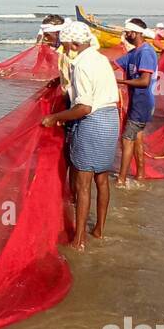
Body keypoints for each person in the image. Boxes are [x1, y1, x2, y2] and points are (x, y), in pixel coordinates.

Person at [40, 22, 120, 251]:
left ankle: (79, 239)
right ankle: (99, 230)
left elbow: (84, 107)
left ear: (74, 43)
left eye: (65, 45)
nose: (64, 49)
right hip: (110, 119)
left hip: (92, 123)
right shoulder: (100, 58)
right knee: (102, 179)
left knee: (83, 184)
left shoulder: (82, 65)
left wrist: (55, 117)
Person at [114, 19, 158, 187]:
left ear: (136, 33)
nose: (125, 35)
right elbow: (113, 64)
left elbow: (144, 81)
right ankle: (140, 174)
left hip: (143, 103)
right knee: (137, 138)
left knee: (127, 139)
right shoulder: (133, 53)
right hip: (136, 102)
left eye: (127, 32)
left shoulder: (146, 52)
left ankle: (121, 179)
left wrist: (120, 83)